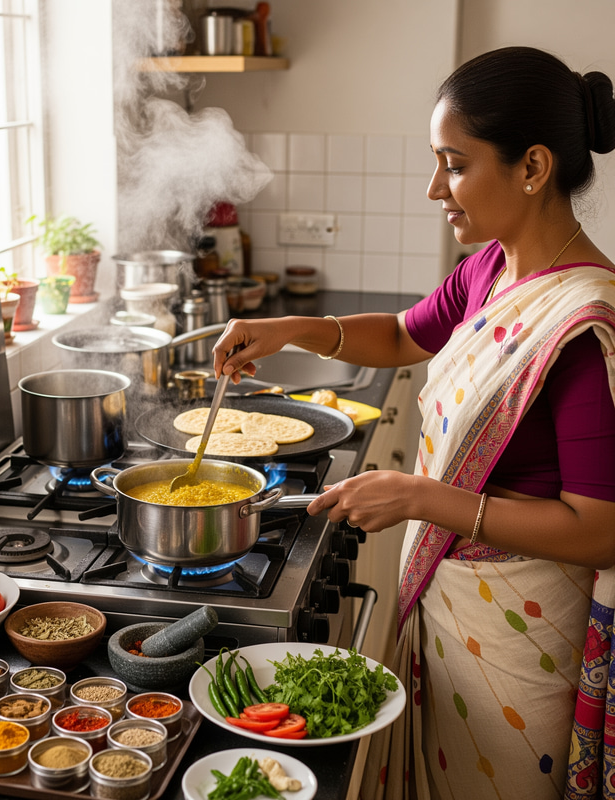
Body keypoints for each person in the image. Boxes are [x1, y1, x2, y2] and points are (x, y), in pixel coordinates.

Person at [211, 47, 615, 799]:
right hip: (448, 609)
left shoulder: (581, 326)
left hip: (520, 643)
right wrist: (290, 328)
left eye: (454, 166)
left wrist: (420, 497)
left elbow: (599, 530)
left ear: (533, 167)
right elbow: (403, 335)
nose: (436, 189)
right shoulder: (493, 268)